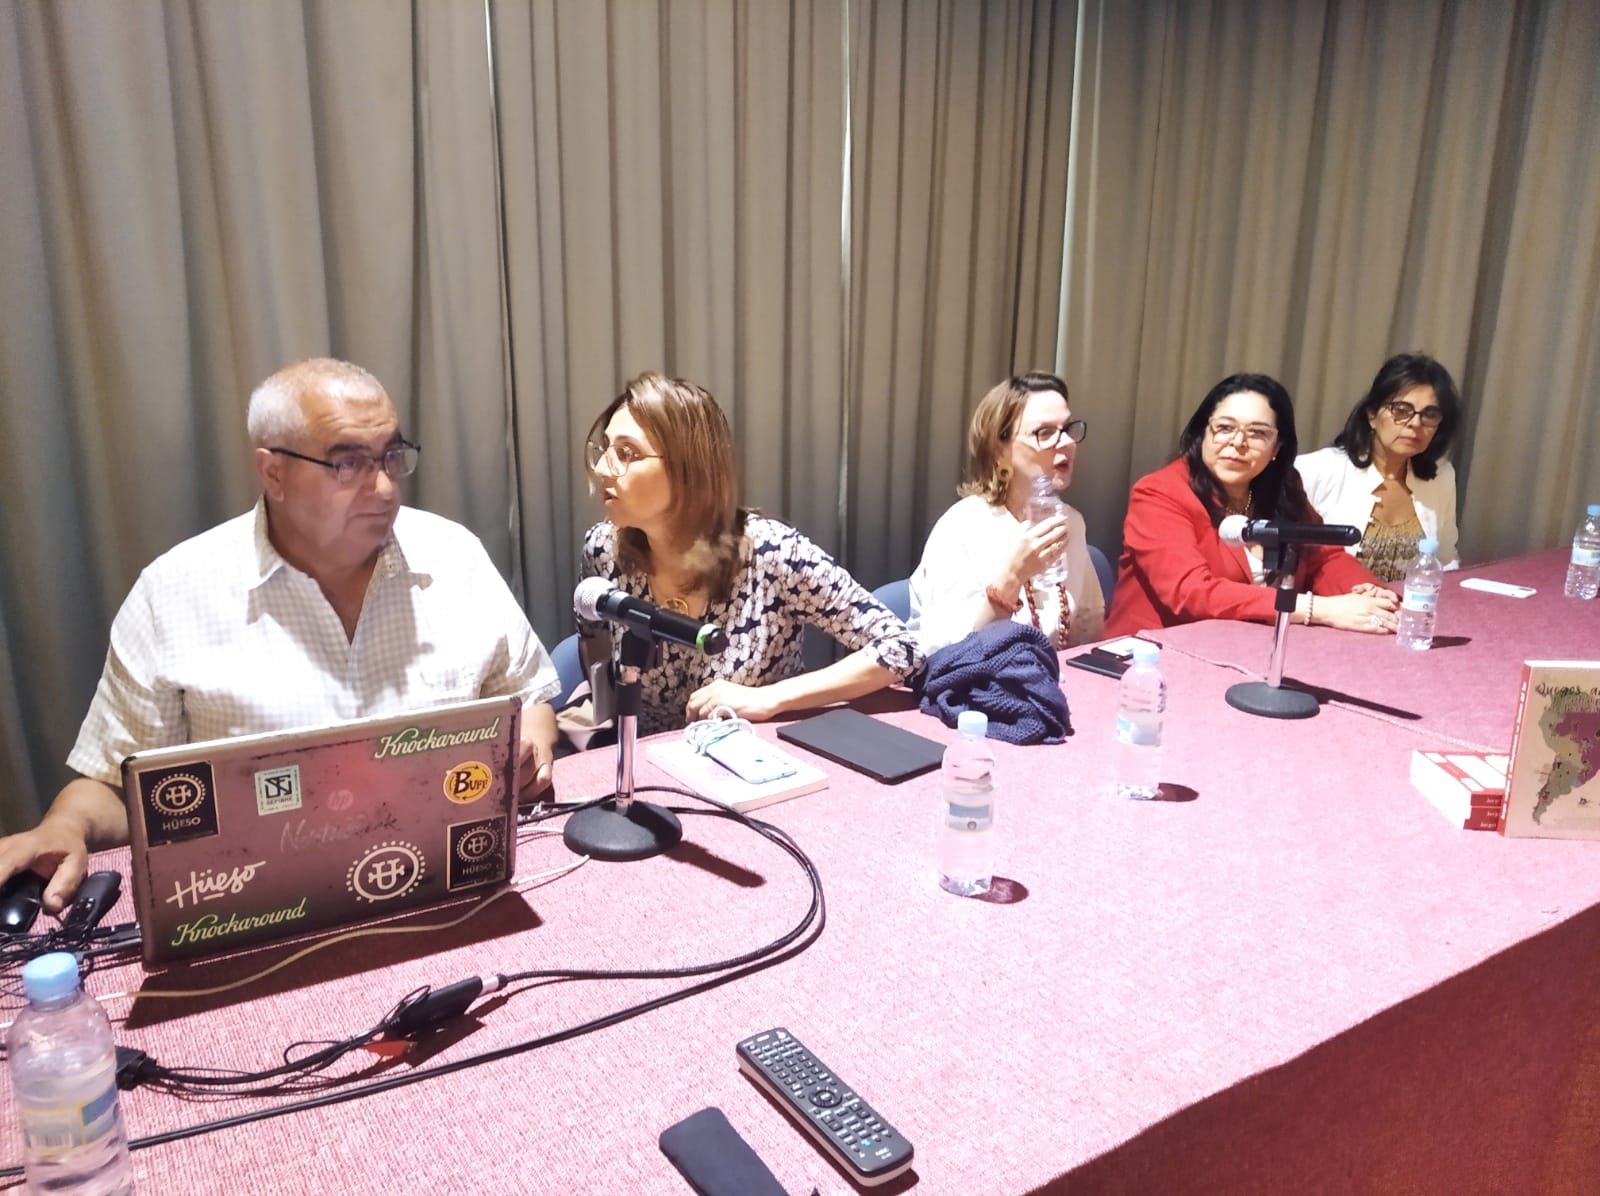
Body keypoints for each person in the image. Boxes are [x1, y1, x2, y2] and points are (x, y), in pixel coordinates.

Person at [0, 358, 560, 911]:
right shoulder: (173, 595)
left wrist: (531, 751)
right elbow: (119, 785)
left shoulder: (453, 555)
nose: (386, 486)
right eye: (348, 464)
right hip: (260, 908)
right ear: (273, 472)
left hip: (451, 886)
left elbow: (527, 694)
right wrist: (64, 826)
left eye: (392, 456)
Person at [580, 371, 923, 736]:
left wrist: (771, 698)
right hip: (647, 764)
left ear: (687, 469)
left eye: (625, 453)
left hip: (755, 765)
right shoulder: (603, 549)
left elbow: (902, 649)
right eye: (604, 450)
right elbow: (595, 652)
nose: (601, 469)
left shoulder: (773, 553)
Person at [1103, 373, 1401, 636]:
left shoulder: (1283, 486)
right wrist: (1318, 609)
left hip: (1252, 646)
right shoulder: (1159, 493)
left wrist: (1367, 594)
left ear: (1277, 448)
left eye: (1258, 433)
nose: (1238, 442)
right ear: (1202, 432)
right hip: (1159, 654)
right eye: (1224, 427)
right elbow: (1191, 593)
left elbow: (1325, 557)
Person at [908, 371, 1105, 654]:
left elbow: (1089, 634)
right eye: (1045, 432)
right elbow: (947, 654)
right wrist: (1014, 575)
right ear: (999, 449)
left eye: (1068, 428)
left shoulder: (1070, 522)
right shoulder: (960, 529)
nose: (1066, 443)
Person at [1296, 353, 1462, 581]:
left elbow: (1445, 559)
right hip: (1334, 609)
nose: (1415, 423)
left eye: (1429, 414)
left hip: (1412, 610)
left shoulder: (1441, 476)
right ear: (1372, 415)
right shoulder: (1315, 470)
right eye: (1402, 410)